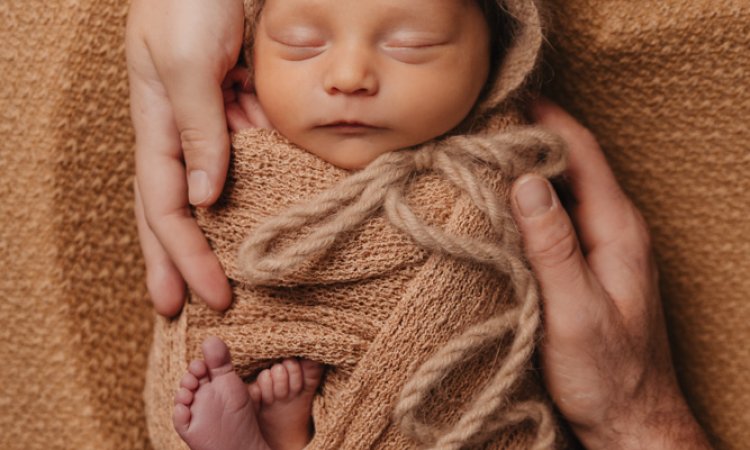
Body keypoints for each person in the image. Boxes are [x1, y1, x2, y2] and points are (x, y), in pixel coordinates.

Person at [126, 0, 713, 449]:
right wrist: (254, 161)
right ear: (250, 57)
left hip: (431, 400)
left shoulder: (503, 166)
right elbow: (235, 248)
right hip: (262, 359)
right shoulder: (236, 137)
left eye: (412, 43)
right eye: (300, 44)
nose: (350, 75)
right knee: (242, 360)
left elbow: (494, 312)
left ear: (497, 58)